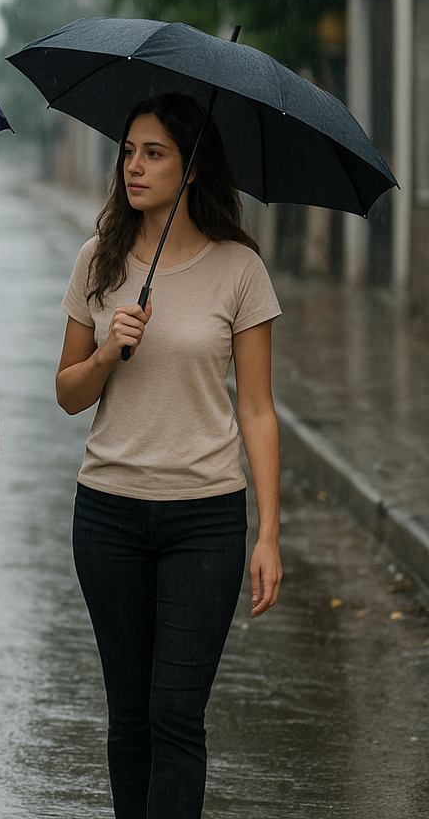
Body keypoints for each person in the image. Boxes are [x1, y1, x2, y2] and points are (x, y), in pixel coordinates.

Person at [55, 92, 282, 819]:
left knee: (176, 716)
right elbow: (66, 394)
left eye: (154, 153)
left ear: (192, 169)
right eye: (128, 151)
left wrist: (269, 532)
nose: (133, 165)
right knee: (129, 720)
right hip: (109, 516)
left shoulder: (239, 271)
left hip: (205, 520)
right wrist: (108, 352)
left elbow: (256, 408)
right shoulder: (100, 260)